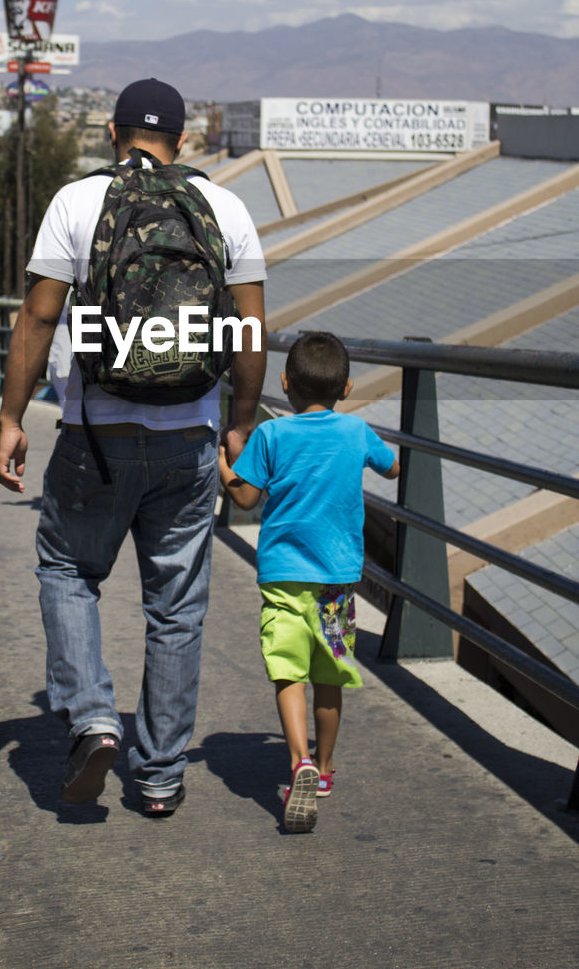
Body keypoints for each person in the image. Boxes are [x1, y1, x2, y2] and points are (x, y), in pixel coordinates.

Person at [0, 77, 266, 815]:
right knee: (175, 609)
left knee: (68, 569)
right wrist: (238, 422)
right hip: (188, 434)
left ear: (114, 134)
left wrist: (10, 417)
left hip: (94, 435)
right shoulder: (228, 208)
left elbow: (36, 320)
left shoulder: (77, 202)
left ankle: (91, 716)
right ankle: (160, 775)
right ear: (184, 138)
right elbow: (248, 333)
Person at [218, 331, 399, 833]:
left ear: (285, 382)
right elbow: (393, 467)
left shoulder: (274, 437)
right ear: (347, 387)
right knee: (328, 676)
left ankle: (297, 760)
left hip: (283, 577)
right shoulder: (356, 430)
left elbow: (247, 499)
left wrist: (223, 468)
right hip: (337, 581)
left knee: (287, 672)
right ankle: (323, 770)